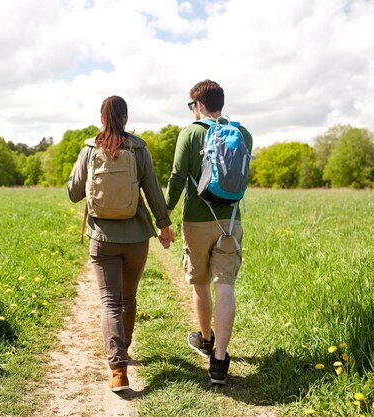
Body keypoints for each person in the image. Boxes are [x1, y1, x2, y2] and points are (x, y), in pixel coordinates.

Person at [68, 95, 174, 392]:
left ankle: (118, 371)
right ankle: (124, 348)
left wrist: (76, 178)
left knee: (109, 303)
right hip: (137, 237)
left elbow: (74, 193)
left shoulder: (89, 150)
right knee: (128, 299)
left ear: (101, 118)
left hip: (101, 239)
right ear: (125, 118)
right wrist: (164, 226)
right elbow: (153, 191)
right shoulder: (139, 149)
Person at [164, 79, 253, 385]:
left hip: (197, 221)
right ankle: (220, 361)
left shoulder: (190, 133)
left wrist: (166, 213)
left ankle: (205, 339)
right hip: (230, 222)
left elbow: (177, 177)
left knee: (200, 282)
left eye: (192, 105)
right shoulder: (243, 134)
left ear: (198, 105)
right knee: (225, 285)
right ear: (221, 103)